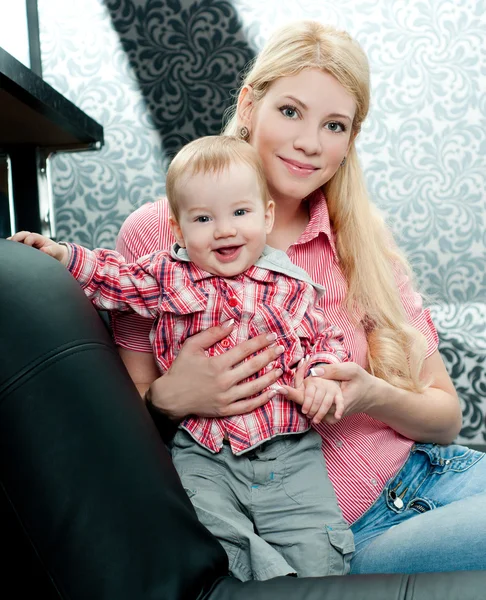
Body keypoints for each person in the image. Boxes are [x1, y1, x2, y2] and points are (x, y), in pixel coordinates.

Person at [103, 20, 486, 574]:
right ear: (249, 104)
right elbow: (121, 424)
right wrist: (170, 397)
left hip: (434, 471)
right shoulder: (160, 233)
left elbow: (445, 417)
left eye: (334, 125)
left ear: (349, 140)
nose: (310, 143)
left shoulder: (360, 241)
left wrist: (370, 395)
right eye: (290, 112)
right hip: (345, 534)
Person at [10, 134, 356, 581]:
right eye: (204, 218)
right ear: (178, 229)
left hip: (287, 452)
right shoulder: (168, 275)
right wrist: (63, 255)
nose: (225, 229)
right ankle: (275, 582)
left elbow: (324, 340)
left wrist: (323, 377)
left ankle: (303, 580)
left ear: (266, 216)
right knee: (203, 531)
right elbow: (116, 278)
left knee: (317, 548)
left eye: (240, 212)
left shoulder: (290, 284)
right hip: (203, 452)